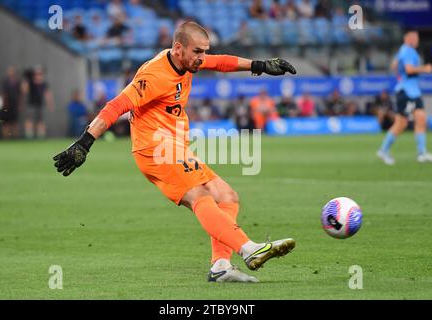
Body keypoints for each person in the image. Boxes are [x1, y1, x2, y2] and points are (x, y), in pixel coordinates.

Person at [53, 22, 297, 283]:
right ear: (178, 48)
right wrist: (85, 142)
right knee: (199, 195)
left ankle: (221, 266)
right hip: (155, 148)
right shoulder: (154, 75)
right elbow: (118, 105)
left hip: (175, 146)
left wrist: (258, 65)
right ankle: (249, 249)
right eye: (198, 52)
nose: (202, 58)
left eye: (204, 51)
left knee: (227, 195)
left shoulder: (187, 61)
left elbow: (219, 62)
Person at [377, 30, 432, 165]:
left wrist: (400, 76)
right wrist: (425, 69)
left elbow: (394, 65)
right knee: (411, 120)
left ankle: (420, 152)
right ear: (406, 38)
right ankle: (420, 152)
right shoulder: (408, 50)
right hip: (409, 92)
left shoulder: (403, 50)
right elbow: (408, 69)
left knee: (409, 121)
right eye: (412, 37)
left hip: (408, 90)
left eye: (416, 37)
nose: (415, 39)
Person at [23, 67, 55, 139]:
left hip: (40, 104)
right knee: (29, 119)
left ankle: (40, 135)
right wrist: (26, 80)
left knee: (40, 120)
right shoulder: (30, 82)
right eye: (37, 74)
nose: (38, 76)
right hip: (31, 103)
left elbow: (47, 94)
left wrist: (50, 104)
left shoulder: (44, 83)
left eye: (40, 74)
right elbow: (24, 91)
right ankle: (29, 135)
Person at [0, 67, 22, 139]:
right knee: (5, 122)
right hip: (6, 105)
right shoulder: (5, 82)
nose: (11, 73)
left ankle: (15, 137)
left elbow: (20, 94)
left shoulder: (18, 82)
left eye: (12, 71)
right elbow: (3, 94)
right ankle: (6, 138)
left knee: (15, 122)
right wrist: (3, 104)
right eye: (9, 71)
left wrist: (19, 105)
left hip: (14, 105)